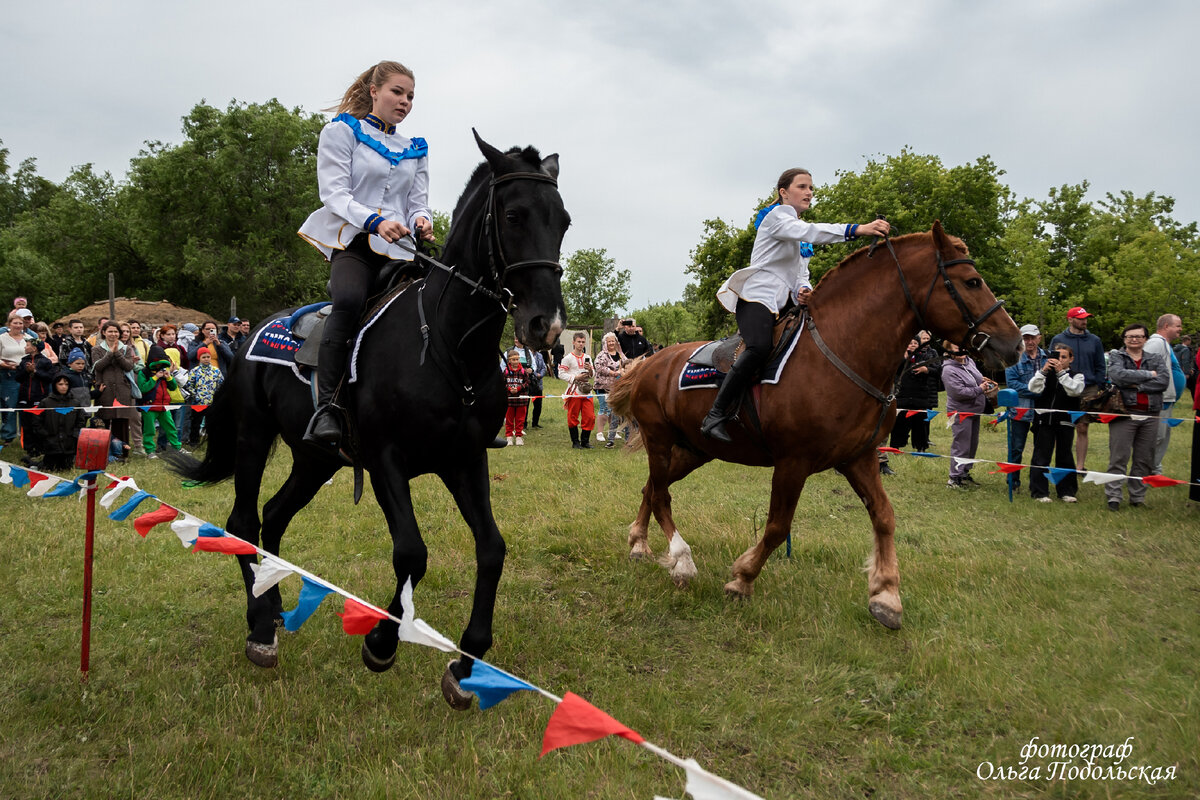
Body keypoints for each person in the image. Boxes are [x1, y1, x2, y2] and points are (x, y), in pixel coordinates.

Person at [298, 60, 433, 453]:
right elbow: (335, 195)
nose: (405, 101)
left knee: (447, 297)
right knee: (349, 302)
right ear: (374, 91)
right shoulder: (341, 131)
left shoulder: (415, 148)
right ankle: (328, 408)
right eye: (397, 92)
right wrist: (375, 222)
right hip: (354, 244)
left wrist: (421, 221)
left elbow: (417, 202)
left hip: (403, 249)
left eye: (410, 96)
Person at [703, 167, 889, 441]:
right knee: (758, 348)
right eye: (802, 186)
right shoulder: (779, 217)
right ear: (783, 192)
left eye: (811, 188)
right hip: (757, 298)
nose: (809, 193)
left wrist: (805, 289)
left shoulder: (797, 232)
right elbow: (813, 231)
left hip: (786, 302)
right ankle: (715, 415)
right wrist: (859, 229)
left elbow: (801, 274)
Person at [1104, 323, 1168, 511]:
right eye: (1130, 336)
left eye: (1139, 336)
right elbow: (1118, 375)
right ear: (1124, 339)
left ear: (1145, 339)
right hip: (1125, 413)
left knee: (1144, 459)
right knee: (1119, 457)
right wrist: (1148, 375)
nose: (1134, 339)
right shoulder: (1117, 356)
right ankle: (1114, 497)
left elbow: (1163, 381)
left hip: (1151, 414)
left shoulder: (1155, 358)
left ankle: (1137, 497)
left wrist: (1136, 385)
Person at [1049, 307, 1105, 470]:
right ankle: (1062, 462)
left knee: (1082, 426)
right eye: (1080, 318)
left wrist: (1099, 385)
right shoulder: (1058, 339)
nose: (1084, 321)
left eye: (1086, 318)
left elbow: (1101, 365)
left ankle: (1080, 466)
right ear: (1070, 320)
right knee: (1063, 425)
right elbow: (1052, 361)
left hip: (1088, 387)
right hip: (1064, 385)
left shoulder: (1094, 340)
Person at [1026, 344, 1083, 502]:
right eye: (1058, 356)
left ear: (1071, 359)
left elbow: (1075, 390)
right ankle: (1039, 492)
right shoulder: (1045, 374)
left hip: (1065, 421)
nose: (1060, 360)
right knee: (1041, 456)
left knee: (1064, 456)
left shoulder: (1077, 375)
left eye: (1064, 357)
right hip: (1044, 421)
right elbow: (1033, 388)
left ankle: (1067, 491)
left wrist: (1062, 374)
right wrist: (1043, 371)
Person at [942, 341, 996, 488]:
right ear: (950, 351)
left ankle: (965, 473)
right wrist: (979, 389)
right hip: (960, 412)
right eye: (957, 347)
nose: (962, 349)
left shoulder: (969, 361)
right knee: (961, 445)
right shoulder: (948, 370)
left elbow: (975, 378)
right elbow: (958, 393)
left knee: (972, 444)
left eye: (963, 346)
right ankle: (954, 478)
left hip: (975, 410)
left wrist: (982, 380)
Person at [1003, 324, 1048, 490]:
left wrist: (1039, 392)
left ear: (1039, 338)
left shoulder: (1047, 358)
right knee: (1016, 448)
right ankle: (1013, 482)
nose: (1029, 341)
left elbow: (1051, 383)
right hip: (1020, 410)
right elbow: (1012, 384)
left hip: (1043, 410)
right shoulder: (1012, 359)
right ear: (1020, 340)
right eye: (1025, 338)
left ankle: (1036, 482)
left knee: (1041, 449)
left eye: (1032, 338)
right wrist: (1036, 392)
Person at [1143, 313, 1183, 474]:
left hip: (1167, 399)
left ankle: (1154, 469)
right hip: (1159, 398)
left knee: (1162, 437)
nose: (1180, 329)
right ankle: (1145, 471)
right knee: (1156, 437)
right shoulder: (1155, 343)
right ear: (1166, 326)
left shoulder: (1164, 344)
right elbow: (1144, 367)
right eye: (1178, 326)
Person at [92, 321, 139, 451]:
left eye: (116, 331)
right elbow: (98, 366)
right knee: (103, 421)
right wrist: (110, 354)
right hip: (104, 389)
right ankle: (103, 452)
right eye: (110, 331)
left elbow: (129, 366)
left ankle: (122, 452)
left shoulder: (127, 349)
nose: (113, 334)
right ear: (103, 332)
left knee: (122, 422)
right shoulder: (96, 349)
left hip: (122, 389)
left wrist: (117, 352)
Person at [889, 336, 941, 454]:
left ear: (919, 345)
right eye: (910, 343)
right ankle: (895, 447)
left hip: (920, 396)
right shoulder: (899, 357)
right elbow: (893, 370)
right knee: (899, 423)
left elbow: (938, 370)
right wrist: (904, 358)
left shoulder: (925, 357)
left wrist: (925, 369)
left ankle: (921, 447)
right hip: (903, 395)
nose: (912, 345)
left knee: (920, 424)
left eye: (915, 343)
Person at [137, 352, 187, 458]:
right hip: (149, 407)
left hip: (164, 407)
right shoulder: (144, 373)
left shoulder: (165, 372)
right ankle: (150, 451)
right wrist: (155, 378)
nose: (160, 367)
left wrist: (169, 377)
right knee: (149, 430)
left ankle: (176, 447)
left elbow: (173, 387)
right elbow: (143, 388)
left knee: (171, 428)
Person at [33, 375, 86, 470]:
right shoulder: (46, 402)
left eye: (66, 384)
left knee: (66, 468)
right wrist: (45, 434)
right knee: (49, 467)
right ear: (55, 385)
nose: (64, 386)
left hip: (69, 445)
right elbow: (37, 421)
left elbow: (81, 421)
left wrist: (74, 435)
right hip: (51, 444)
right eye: (60, 384)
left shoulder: (75, 403)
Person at [558, 331, 596, 449]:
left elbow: (592, 374)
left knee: (589, 416)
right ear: (573, 342)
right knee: (573, 416)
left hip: (586, 391)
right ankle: (575, 442)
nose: (581, 344)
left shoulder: (587, 357)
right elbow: (561, 374)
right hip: (574, 391)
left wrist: (590, 370)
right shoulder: (567, 358)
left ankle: (585, 441)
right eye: (579, 342)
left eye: (583, 342)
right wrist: (575, 377)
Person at [593, 332, 627, 447]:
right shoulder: (602, 355)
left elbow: (627, 364)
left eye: (613, 341)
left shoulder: (621, 354)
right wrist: (613, 372)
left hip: (616, 387)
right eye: (609, 341)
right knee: (604, 408)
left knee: (614, 410)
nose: (611, 343)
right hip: (602, 386)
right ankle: (600, 432)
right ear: (605, 343)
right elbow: (598, 367)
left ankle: (612, 432)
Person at [0, 312, 30, 443]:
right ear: (9, 324)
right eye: (15, 323)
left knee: (26, 405)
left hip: (26, 374)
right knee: (9, 405)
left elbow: (39, 352)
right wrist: (3, 364)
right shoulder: (2, 338)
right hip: (8, 374)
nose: (18, 325)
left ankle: (26, 435)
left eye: (20, 323)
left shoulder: (28, 337)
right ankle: (8, 436)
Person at [185, 346, 224, 445]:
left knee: (212, 423)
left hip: (212, 402)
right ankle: (194, 441)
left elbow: (221, 384)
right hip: (198, 402)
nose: (206, 359)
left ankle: (213, 441)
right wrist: (196, 395)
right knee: (196, 423)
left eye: (208, 357)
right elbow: (189, 385)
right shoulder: (195, 371)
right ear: (199, 358)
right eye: (204, 357)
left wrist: (217, 396)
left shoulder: (216, 371)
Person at [502, 350, 531, 446]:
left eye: (517, 359)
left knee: (520, 420)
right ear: (509, 361)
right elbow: (501, 384)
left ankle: (519, 436)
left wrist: (518, 388)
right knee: (509, 420)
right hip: (509, 400)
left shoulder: (523, 372)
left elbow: (527, 383)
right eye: (513, 360)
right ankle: (509, 437)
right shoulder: (505, 372)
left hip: (521, 400)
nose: (516, 361)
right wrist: (509, 389)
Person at [1174, 333, 1195, 404]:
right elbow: (1185, 361)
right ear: (1187, 340)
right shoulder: (1185, 349)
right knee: (1193, 387)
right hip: (1183, 371)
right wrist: (1187, 372)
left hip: (1176, 369)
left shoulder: (1176, 349)